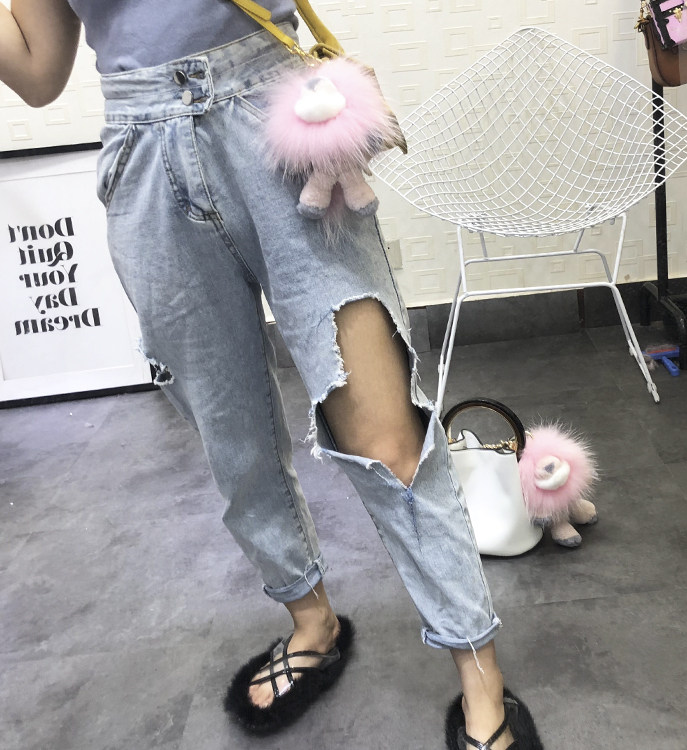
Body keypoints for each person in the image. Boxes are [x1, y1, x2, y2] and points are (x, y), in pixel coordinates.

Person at [0, 2, 543, 748]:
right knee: (232, 432)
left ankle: (480, 673)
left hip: (273, 113)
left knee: (386, 430)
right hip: (143, 149)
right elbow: (38, 72)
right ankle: (311, 619)